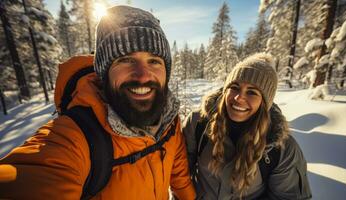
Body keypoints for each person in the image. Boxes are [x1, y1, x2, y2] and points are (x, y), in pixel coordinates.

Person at [0, 5, 195, 200]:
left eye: (154, 61)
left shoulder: (168, 118)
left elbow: (179, 174)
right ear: (104, 73)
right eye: (125, 59)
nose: (143, 76)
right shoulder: (77, 136)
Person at [183, 53, 312, 199]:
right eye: (235, 87)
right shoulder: (198, 123)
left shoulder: (280, 147)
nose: (239, 98)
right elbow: (179, 174)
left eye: (251, 92)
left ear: (265, 102)